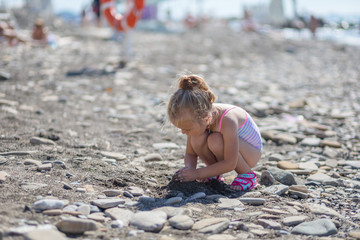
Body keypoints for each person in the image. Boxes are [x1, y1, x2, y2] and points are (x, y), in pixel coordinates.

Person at [167, 75, 262, 191]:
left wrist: (197, 174)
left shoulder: (228, 120)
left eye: (187, 129)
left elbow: (230, 163)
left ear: (206, 118)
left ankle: (247, 175)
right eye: (181, 129)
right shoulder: (198, 117)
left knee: (215, 140)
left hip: (250, 153)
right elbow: (190, 153)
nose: (183, 132)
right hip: (230, 150)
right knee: (197, 138)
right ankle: (215, 173)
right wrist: (189, 169)